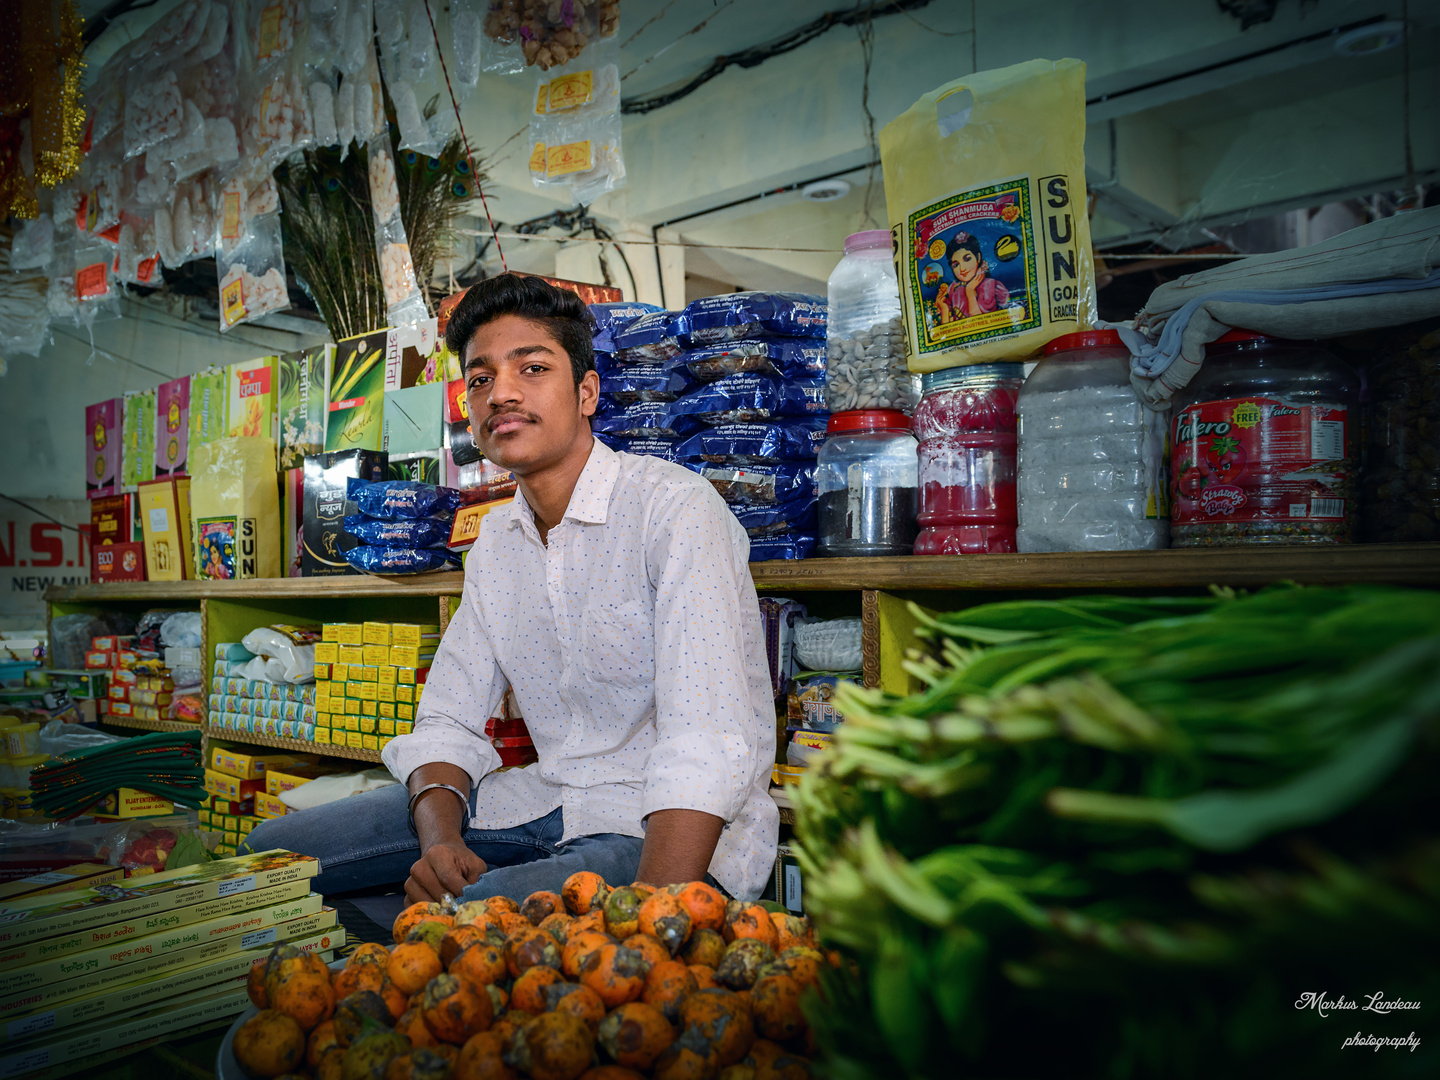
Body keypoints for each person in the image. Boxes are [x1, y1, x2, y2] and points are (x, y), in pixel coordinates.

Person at [243, 274, 778, 908]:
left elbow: (705, 744)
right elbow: (447, 718)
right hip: (542, 802)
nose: (502, 393)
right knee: (269, 862)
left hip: (661, 827)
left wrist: (655, 921)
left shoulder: (674, 511)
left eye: (532, 368)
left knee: (468, 915)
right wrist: (438, 844)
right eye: (481, 378)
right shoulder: (496, 545)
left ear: (586, 392)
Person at [934, 232, 1008, 323]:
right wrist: (944, 309)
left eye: (967, 259)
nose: (962, 269)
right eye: (956, 265)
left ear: (978, 257)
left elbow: (980, 325)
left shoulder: (990, 286)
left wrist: (970, 291)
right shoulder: (953, 288)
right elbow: (946, 331)